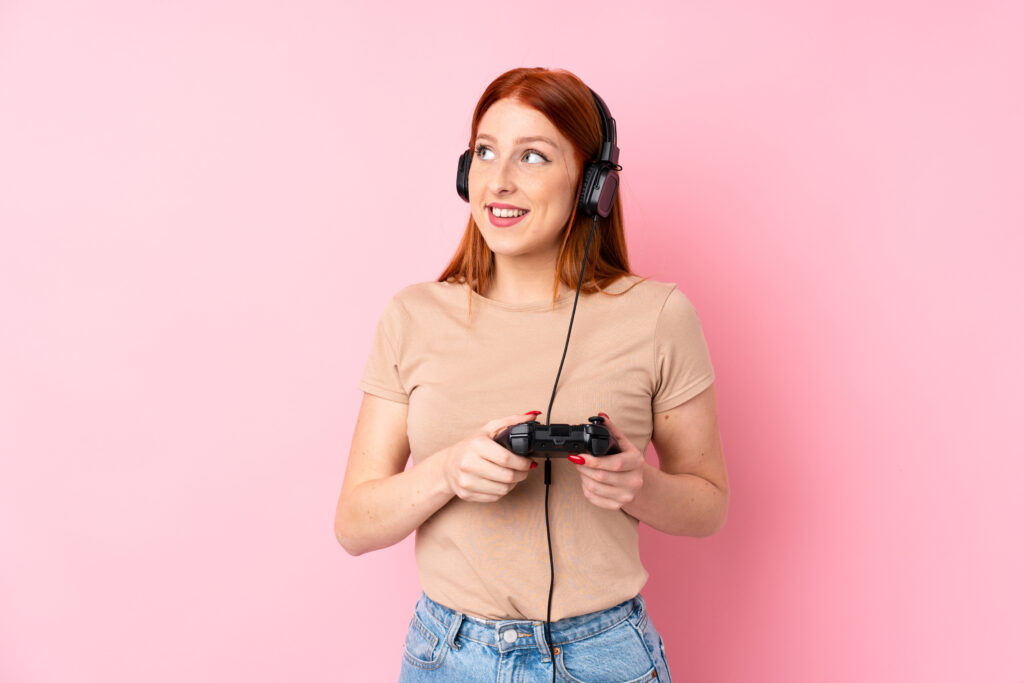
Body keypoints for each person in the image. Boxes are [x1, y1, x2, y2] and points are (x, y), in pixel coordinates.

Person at [335, 67, 729, 682]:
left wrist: (638, 486)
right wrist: (447, 471)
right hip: (447, 655)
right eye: (486, 152)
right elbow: (354, 526)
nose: (499, 181)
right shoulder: (412, 316)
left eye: (534, 157)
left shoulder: (657, 316)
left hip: (603, 654)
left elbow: (708, 506)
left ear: (592, 185)